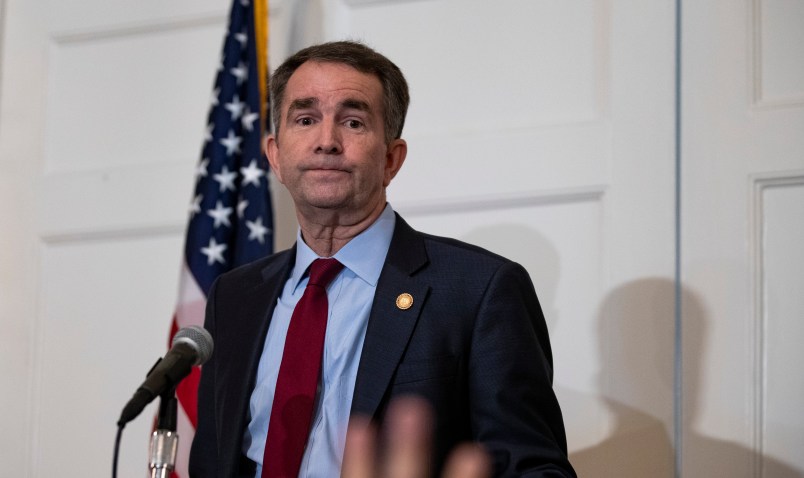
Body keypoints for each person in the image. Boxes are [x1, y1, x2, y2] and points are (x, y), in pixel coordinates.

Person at [189, 40, 576, 478]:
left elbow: (537, 470)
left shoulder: (480, 290)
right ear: (275, 156)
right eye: (305, 119)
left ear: (391, 158)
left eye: (353, 122)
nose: (326, 141)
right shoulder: (236, 296)